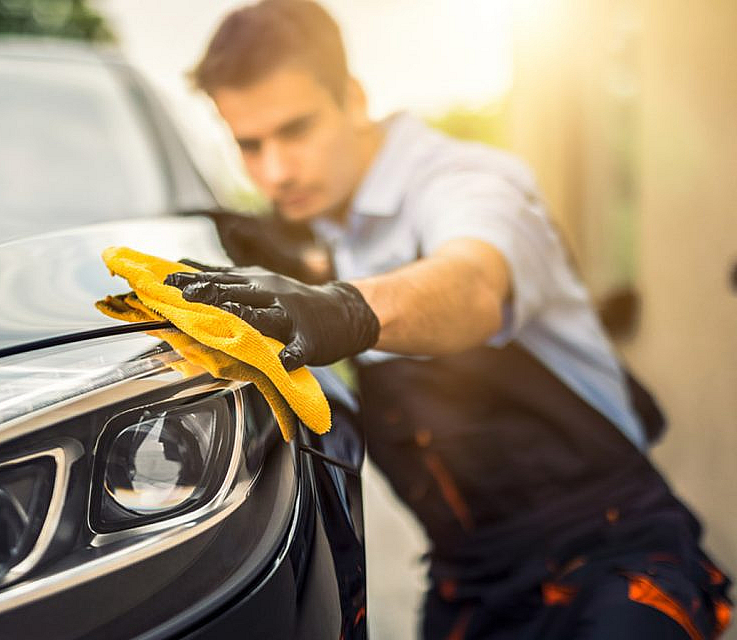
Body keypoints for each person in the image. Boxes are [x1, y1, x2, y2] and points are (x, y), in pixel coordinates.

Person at [164, 1, 732, 638]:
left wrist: (342, 308)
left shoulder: (466, 180)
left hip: (610, 558)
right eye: (250, 145)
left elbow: (474, 285)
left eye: (295, 131)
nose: (275, 171)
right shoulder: (331, 227)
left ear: (352, 99)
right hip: (471, 584)